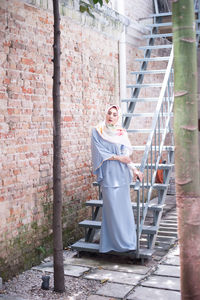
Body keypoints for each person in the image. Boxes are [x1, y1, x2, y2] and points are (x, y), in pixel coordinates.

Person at [91, 105, 143, 253]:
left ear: (118, 117)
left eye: (115, 114)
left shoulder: (121, 133)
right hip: (109, 175)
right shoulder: (98, 131)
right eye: (109, 113)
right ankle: (111, 243)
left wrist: (135, 170)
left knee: (124, 210)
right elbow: (99, 152)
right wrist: (118, 157)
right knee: (111, 210)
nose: (111, 116)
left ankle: (127, 242)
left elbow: (126, 157)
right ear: (105, 113)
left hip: (122, 175)